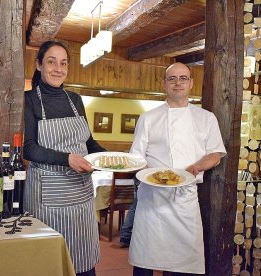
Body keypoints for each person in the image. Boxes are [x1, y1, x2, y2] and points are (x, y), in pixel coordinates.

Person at [128, 62, 226, 275]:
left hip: (185, 198)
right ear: (164, 84)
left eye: (183, 78)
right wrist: (150, 173)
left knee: (184, 260)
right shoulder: (148, 118)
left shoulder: (206, 118)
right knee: (145, 259)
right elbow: (136, 157)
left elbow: (216, 154)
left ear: (191, 83)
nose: (178, 83)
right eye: (172, 78)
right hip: (152, 198)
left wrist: (196, 167)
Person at [23, 40, 105, 276]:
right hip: (47, 196)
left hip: (81, 194)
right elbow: (29, 149)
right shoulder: (29, 100)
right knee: (49, 264)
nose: (58, 68)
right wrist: (67, 159)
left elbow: (88, 142)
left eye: (63, 63)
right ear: (39, 65)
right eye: (51, 62)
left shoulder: (75, 99)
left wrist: (113, 157)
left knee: (83, 262)